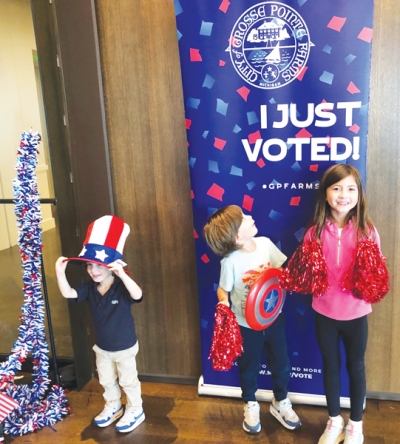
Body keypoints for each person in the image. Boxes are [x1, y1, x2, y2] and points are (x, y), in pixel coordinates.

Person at [204, 205, 301, 434]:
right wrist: (223, 302)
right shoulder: (230, 262)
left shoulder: (266, 244)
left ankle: (280, 402)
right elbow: (223, 290)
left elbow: (279, 273)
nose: (250, 217)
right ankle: (250, 403)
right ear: (237, 237)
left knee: (281, 363)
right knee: (249, 368)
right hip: (246, 326)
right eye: (244, 218)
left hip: (274, 319)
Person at [303, 164, 382, 444]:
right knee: (330, 364)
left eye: (351, 188)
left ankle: (355, 424)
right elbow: (308, 275)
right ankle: (334, 419)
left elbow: (376, 278)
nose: (343, 195)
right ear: (325, 194)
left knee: (356, 367)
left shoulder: (368, 232)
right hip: (323, 313)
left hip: (356, 315)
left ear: (359, 194)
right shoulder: (313, 233)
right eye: (336, 188)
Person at [55, 215, 144, 433]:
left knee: (128, 381)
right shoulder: (89, 288)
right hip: (102, 348)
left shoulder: (122, 286)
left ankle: (135, 409)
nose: (93, 270)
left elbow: (138, 294)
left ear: (112, 266)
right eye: (89, 265)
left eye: (99, 265)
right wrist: (60, 272)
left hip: (124, 347)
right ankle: (113, 405)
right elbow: (68, 293)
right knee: (106, 380)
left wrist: (122, 274)